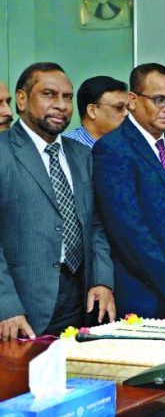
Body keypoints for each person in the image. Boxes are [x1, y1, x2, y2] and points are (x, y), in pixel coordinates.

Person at [0, 63, 115, 341]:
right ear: (22, 99)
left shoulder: (81, 154)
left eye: (67, 97)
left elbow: (96, 224)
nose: (61, 105)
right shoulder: (4, 151)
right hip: (24, 304)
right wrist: (6, 306)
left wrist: (101, 280)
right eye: (49, 95)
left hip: (80, 299)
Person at [94, 63, 165, 317]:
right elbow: (127, 227)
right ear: (133, 100)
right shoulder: (114, 149)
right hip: (147, 290)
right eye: (159, 100)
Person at [62, 76, 130, 149]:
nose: (127, 113)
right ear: (92, 111)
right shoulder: (63, 148)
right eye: (119, 107)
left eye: (128, 107)